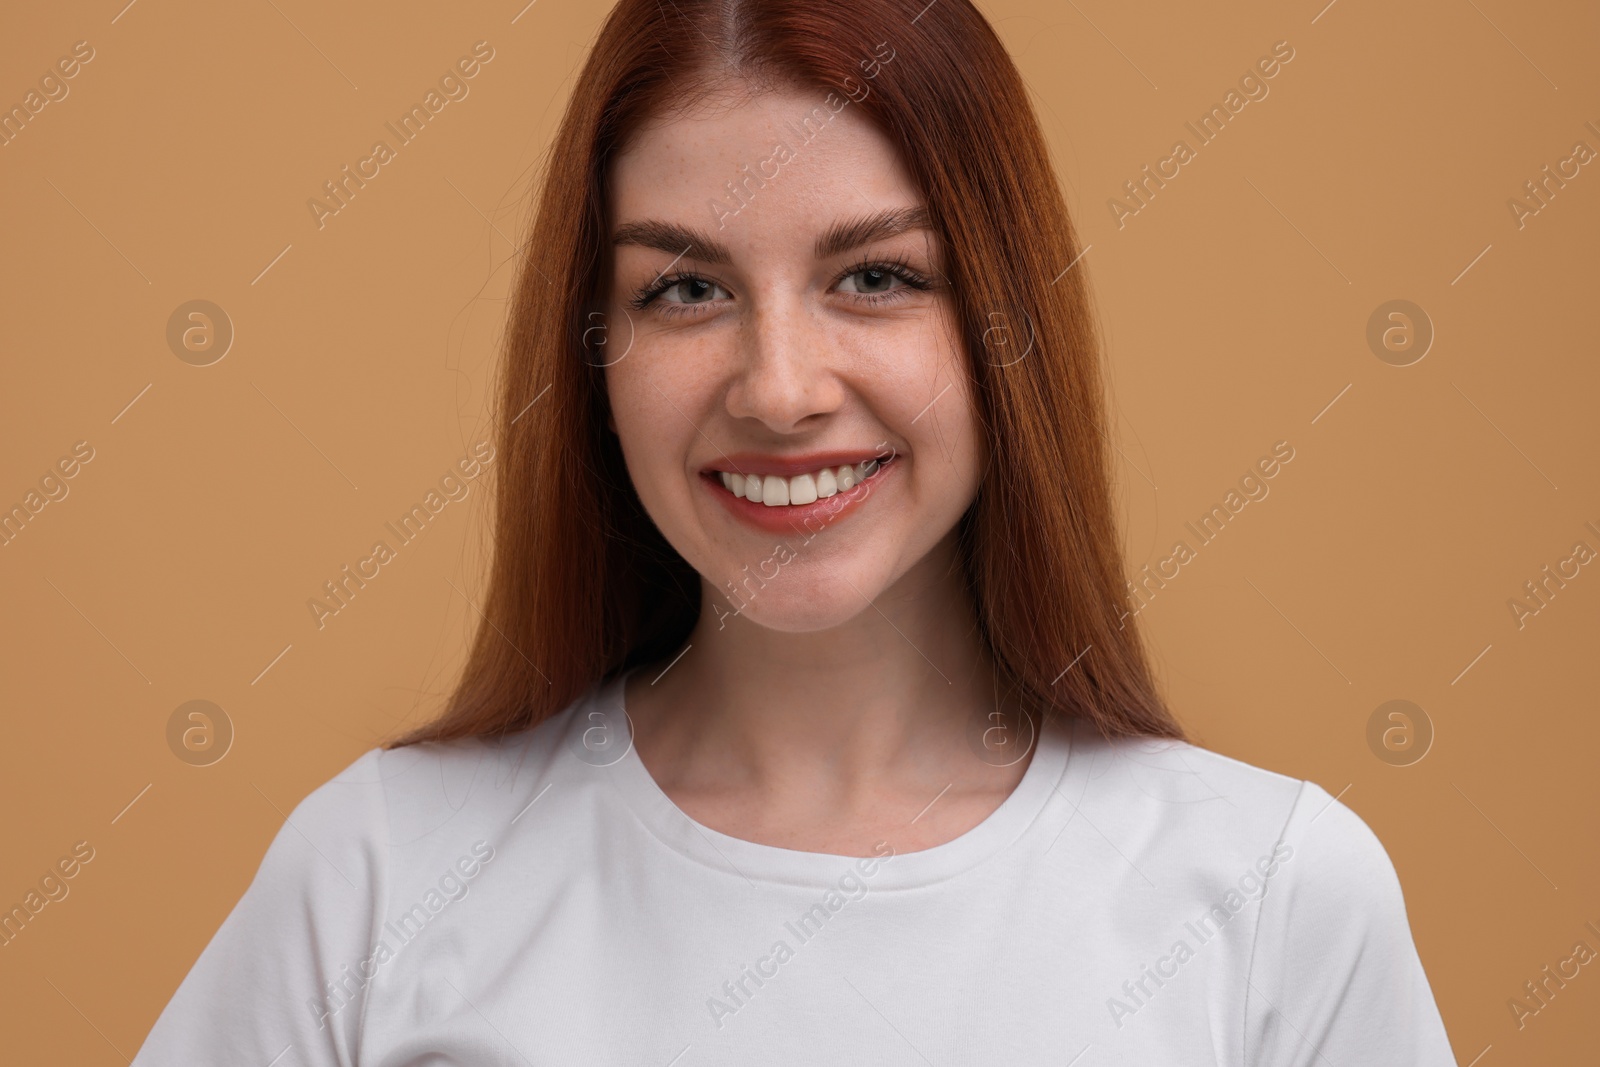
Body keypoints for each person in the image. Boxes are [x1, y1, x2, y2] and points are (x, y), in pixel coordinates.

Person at [131, 0, 1459, 1062]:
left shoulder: (1279, 899)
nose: (779, 389)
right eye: (687, 287)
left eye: (875, 277)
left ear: (1002, 323)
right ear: (594, 353)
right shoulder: (373, 877)